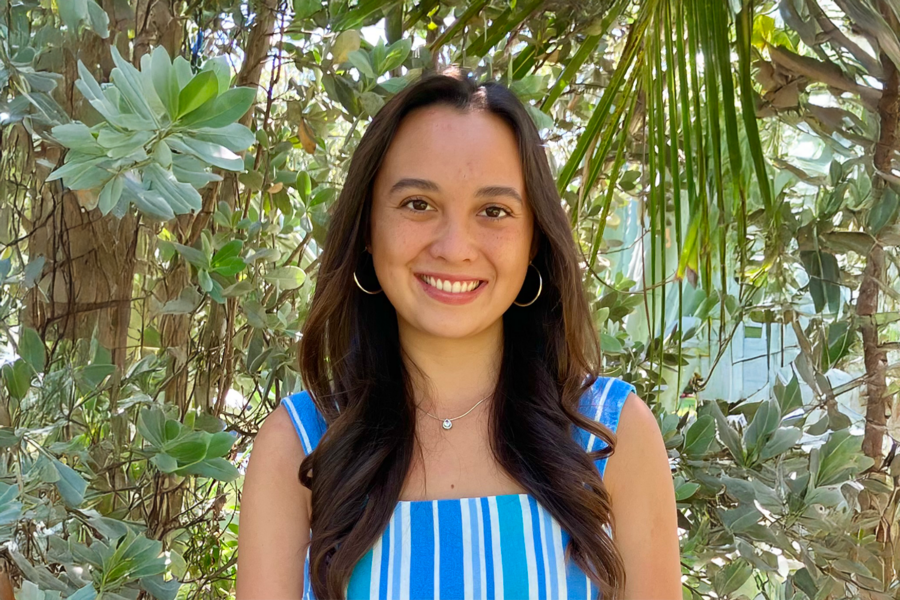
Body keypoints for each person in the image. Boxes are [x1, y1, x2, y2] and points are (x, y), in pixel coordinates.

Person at [236, 68, 680, 600]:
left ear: (534, 239)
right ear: (368, 231)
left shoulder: (609, 435)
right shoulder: (300, 446)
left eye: (493, 211)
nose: (455, 246)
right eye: (418, 204)